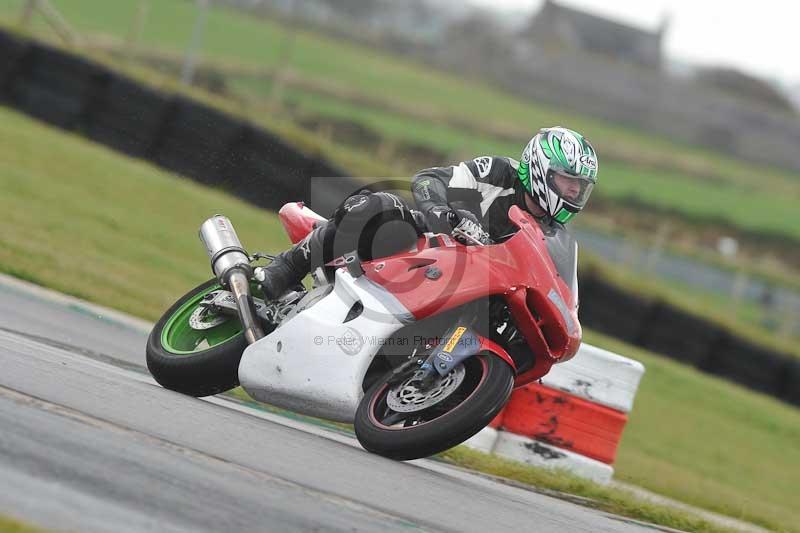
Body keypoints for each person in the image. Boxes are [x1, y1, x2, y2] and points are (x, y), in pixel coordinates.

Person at [258, 126, 598, 301]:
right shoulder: (499, 174)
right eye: (568, 182)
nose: (573, 193)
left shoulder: (555, 236)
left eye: (579, 188)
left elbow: (559, 290)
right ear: (540, 168)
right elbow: (429, 179)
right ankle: (285, 268)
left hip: (471, 286)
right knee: (380, 205)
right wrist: (443, 213)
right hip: (428, 244)